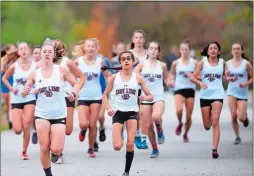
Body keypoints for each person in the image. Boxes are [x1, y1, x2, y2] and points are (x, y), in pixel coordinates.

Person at [21, 40, 79, 176]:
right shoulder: (35, 73)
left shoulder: (61, 69)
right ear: (40, 54)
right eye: (44, 51)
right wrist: (25, 91)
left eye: (50, 52)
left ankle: (56, 153)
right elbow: (27, 88)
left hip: (59, 114)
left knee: (56, 149)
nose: (47, 54)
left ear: (54, 55)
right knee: (44, 148)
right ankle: (48, 174)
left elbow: (75, 84)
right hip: (42, 114)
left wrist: (74, 93)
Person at [102, 50, 152, 176]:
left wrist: (144, 98)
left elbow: (150, 96)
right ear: (120, 62)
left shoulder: (138, 78)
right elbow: (105, 95)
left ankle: (126, 171)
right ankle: (120, 134)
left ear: (133, 61)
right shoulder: (114, 78)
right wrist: (108, 108)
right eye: (123, 59)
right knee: (117, 146)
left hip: (132, 112)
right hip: (118, 112)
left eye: (128, 58)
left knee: (130, 143)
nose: (126, 61)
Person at [189, 42, 229, 159]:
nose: (212, 50)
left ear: (219, 51)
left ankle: (214, 149)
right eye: (210, 48)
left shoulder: (223, 63)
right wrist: (200, 82)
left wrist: (229, 78)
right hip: (205, 95)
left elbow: (224, 76)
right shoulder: (202, 63)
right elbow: (193, 77)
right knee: (207, 125)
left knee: (215, 121)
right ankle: (210, 118)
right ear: (207, 51)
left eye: (215, 48)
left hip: (218, 94)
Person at [51, 39, 86, 163]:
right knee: (53, 124)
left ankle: (56, 148)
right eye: (54, 48)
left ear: (63, 50)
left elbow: (82, 77)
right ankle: (57, 152)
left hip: (67, 96)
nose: (56, 51)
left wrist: (75, 91)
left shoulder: (68, 62)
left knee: (68, 129)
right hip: (51, 97)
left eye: (59, 48)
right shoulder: (44, 62)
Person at [75, 38, 110, 158]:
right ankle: (83, 130)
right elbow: (71, 76)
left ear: (96, 48)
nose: (90, 48)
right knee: (84, 124)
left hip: (96, 95)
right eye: (88, 46)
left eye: (92, 46)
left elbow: (107, 76)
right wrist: (75, 89)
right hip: (83, 96)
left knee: (93, 123)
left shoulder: (101, 62)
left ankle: (90, 148)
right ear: (84, 48)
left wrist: (115, 84)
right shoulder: (78, 62)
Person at [2, 42, 36, 160]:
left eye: (25, 49)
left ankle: (24, 151)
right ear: (18, 52)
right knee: (17, 130)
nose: (23, 51)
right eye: (21, 49)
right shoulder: (14, 66)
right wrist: (12, 88)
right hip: (16, 99)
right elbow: (4, 78)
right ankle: (20, 121)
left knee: (26, 125)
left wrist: (36, 89)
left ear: (29, 50)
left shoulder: (35, 66)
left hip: (30, 98)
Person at [134, 41, 169, 158]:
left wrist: (170, 81)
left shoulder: (162, 65)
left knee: (156, 117)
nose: (153, 50)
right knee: (148, 125)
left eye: (155, 49)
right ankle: (154, 148)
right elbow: (133, 76)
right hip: (145, 96)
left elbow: (167, 78)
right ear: (147, 51)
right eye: (151, 48)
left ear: (158, 51)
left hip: (158, 96)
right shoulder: (142, 65)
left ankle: (159, 129)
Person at [168, 41, 197, 142]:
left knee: (189, 116)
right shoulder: (176, 63)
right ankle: (180, 122)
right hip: (178, 88)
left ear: (189, 50)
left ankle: (185, 133)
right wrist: (171, 80)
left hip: (190, 89)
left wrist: (193, 76)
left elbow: (200, 76)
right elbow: (171, 74)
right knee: (179, 110)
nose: (184, 51)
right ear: (180, 50)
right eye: (182, 49)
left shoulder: (194, 63)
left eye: (186, 49)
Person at [226, 43, 252, 144]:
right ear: (231, 51)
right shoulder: (227, 64)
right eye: (234, 49)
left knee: (240, 117)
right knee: (233, 116)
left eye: (238, 49)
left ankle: (244, 117)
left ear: (241, 51)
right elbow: (224, 77)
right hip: (231, 92)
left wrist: (246, 83)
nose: (236, 50)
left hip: (242, 93)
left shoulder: (246, 64)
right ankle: (238, 136)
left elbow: (252, 77)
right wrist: (227, 77)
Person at [129, 29, 149, 149]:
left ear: (144, 40)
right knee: (134, 113)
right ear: (133, 40)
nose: (138, 40)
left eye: (141, 37)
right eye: (136, 37)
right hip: (132, 87)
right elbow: (122, 68)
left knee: (143, 113)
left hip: (146, 87)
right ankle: (136, 134)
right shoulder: (129, 53)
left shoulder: (149, 53)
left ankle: (143, 137)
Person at [1, 44, 17, 129]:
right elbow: (2, 69)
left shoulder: (15, 60)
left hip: (12, 82)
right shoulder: (3, 59)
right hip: (4, 82)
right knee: (7, 104)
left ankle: (13, 119)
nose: (14, 50)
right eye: (12, 49)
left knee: (12, 102)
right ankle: (7, 119)